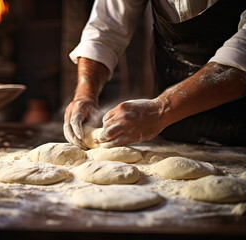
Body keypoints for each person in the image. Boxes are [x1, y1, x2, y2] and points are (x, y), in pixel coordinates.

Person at [63, 0, 246, 149]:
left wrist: (161, 109)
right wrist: (85, 93)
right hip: (173, 131)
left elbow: (241, 56)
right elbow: (105, 30)